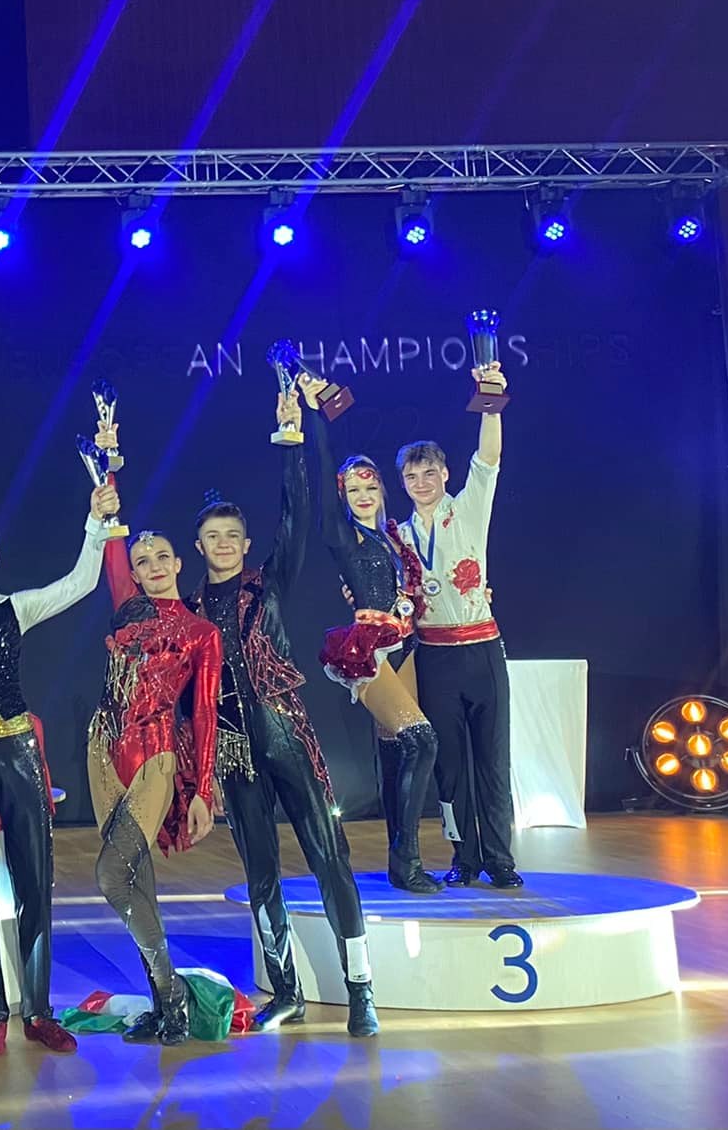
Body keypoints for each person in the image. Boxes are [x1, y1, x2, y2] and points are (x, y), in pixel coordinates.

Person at [186, 389, 378, 1037]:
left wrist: (291, 440)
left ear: (245, 544)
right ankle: (287, 991)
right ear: (199, 546)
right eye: (212, 537)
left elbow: (297, 515)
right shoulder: (190, 613)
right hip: (235, 749)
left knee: (329, 856)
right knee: (260, 872)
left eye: (232, 536)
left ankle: (360, 988)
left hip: (285, 731)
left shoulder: (267, 583)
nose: (223, 545)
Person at [0, 485, 119, 1057]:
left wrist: (95, 525)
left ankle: (37, 1011)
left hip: (17, 750)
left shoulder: (17, 607)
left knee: (35, 878)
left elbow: (80, 584)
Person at [82, 426, 222, 1047]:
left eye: (162, 557)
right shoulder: (126, 607)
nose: (152, 567)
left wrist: (204, 790)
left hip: (156, 755)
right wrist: (108, 462)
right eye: (142, 562)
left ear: (179, 563)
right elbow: (112, 537)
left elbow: (206, 713)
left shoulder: (200, 633)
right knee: (135, 879)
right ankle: (167, 1009)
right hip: (103, 747)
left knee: (110, 877)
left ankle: (172, 992)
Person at [303, 385, 442, 894]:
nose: (363, 496)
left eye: (370, 487)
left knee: (398, 754)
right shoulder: (344, 535)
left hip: (405, 643)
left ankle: (402, 862)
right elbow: (322, 481)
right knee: (421, 741)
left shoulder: (390, 537)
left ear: (382, 491)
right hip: (368, 648)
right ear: (343, 497)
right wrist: (317, 419)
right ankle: (407, 862)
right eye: (352, 491)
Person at [398, 361, 516, 888]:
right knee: (449, 766)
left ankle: (501, 859)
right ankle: (464, 858)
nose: (421, 483)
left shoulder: (468, 509)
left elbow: (488, 458)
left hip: (482, 650)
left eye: (429, 473)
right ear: (403, 483)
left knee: (492, 760)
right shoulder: (397, 536)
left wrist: (490, 398)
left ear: (445, 474)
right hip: (434, 657)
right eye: (411, 476)